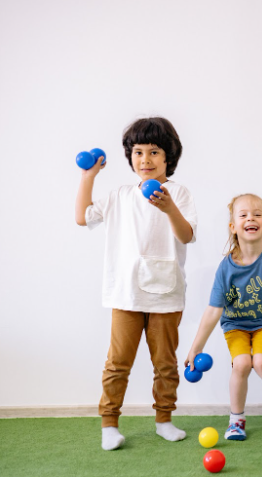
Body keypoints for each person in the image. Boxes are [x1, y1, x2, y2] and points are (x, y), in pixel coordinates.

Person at [74, 117, 197, 450]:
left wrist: (169, 207)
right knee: (118, 363)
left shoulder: (179, 193)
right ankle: (109, 425)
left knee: (166, 363)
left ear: (168, 156)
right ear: (129, 157)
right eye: (138, 152)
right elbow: (82, 216)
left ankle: (164, 420)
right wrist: (89, 176)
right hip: (126, 294)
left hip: (167, 294)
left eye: (154, 152)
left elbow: (187, 235)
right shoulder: (119, 195)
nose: (145, 160)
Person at [185, 193, 262, 441]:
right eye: (243, 215)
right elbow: (213, 310)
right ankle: (236, 421)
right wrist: (195, 348)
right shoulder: (226, 267)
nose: (250, 218)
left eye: (257, 214)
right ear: (233, 227)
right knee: (241, 364)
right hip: (236, 325)